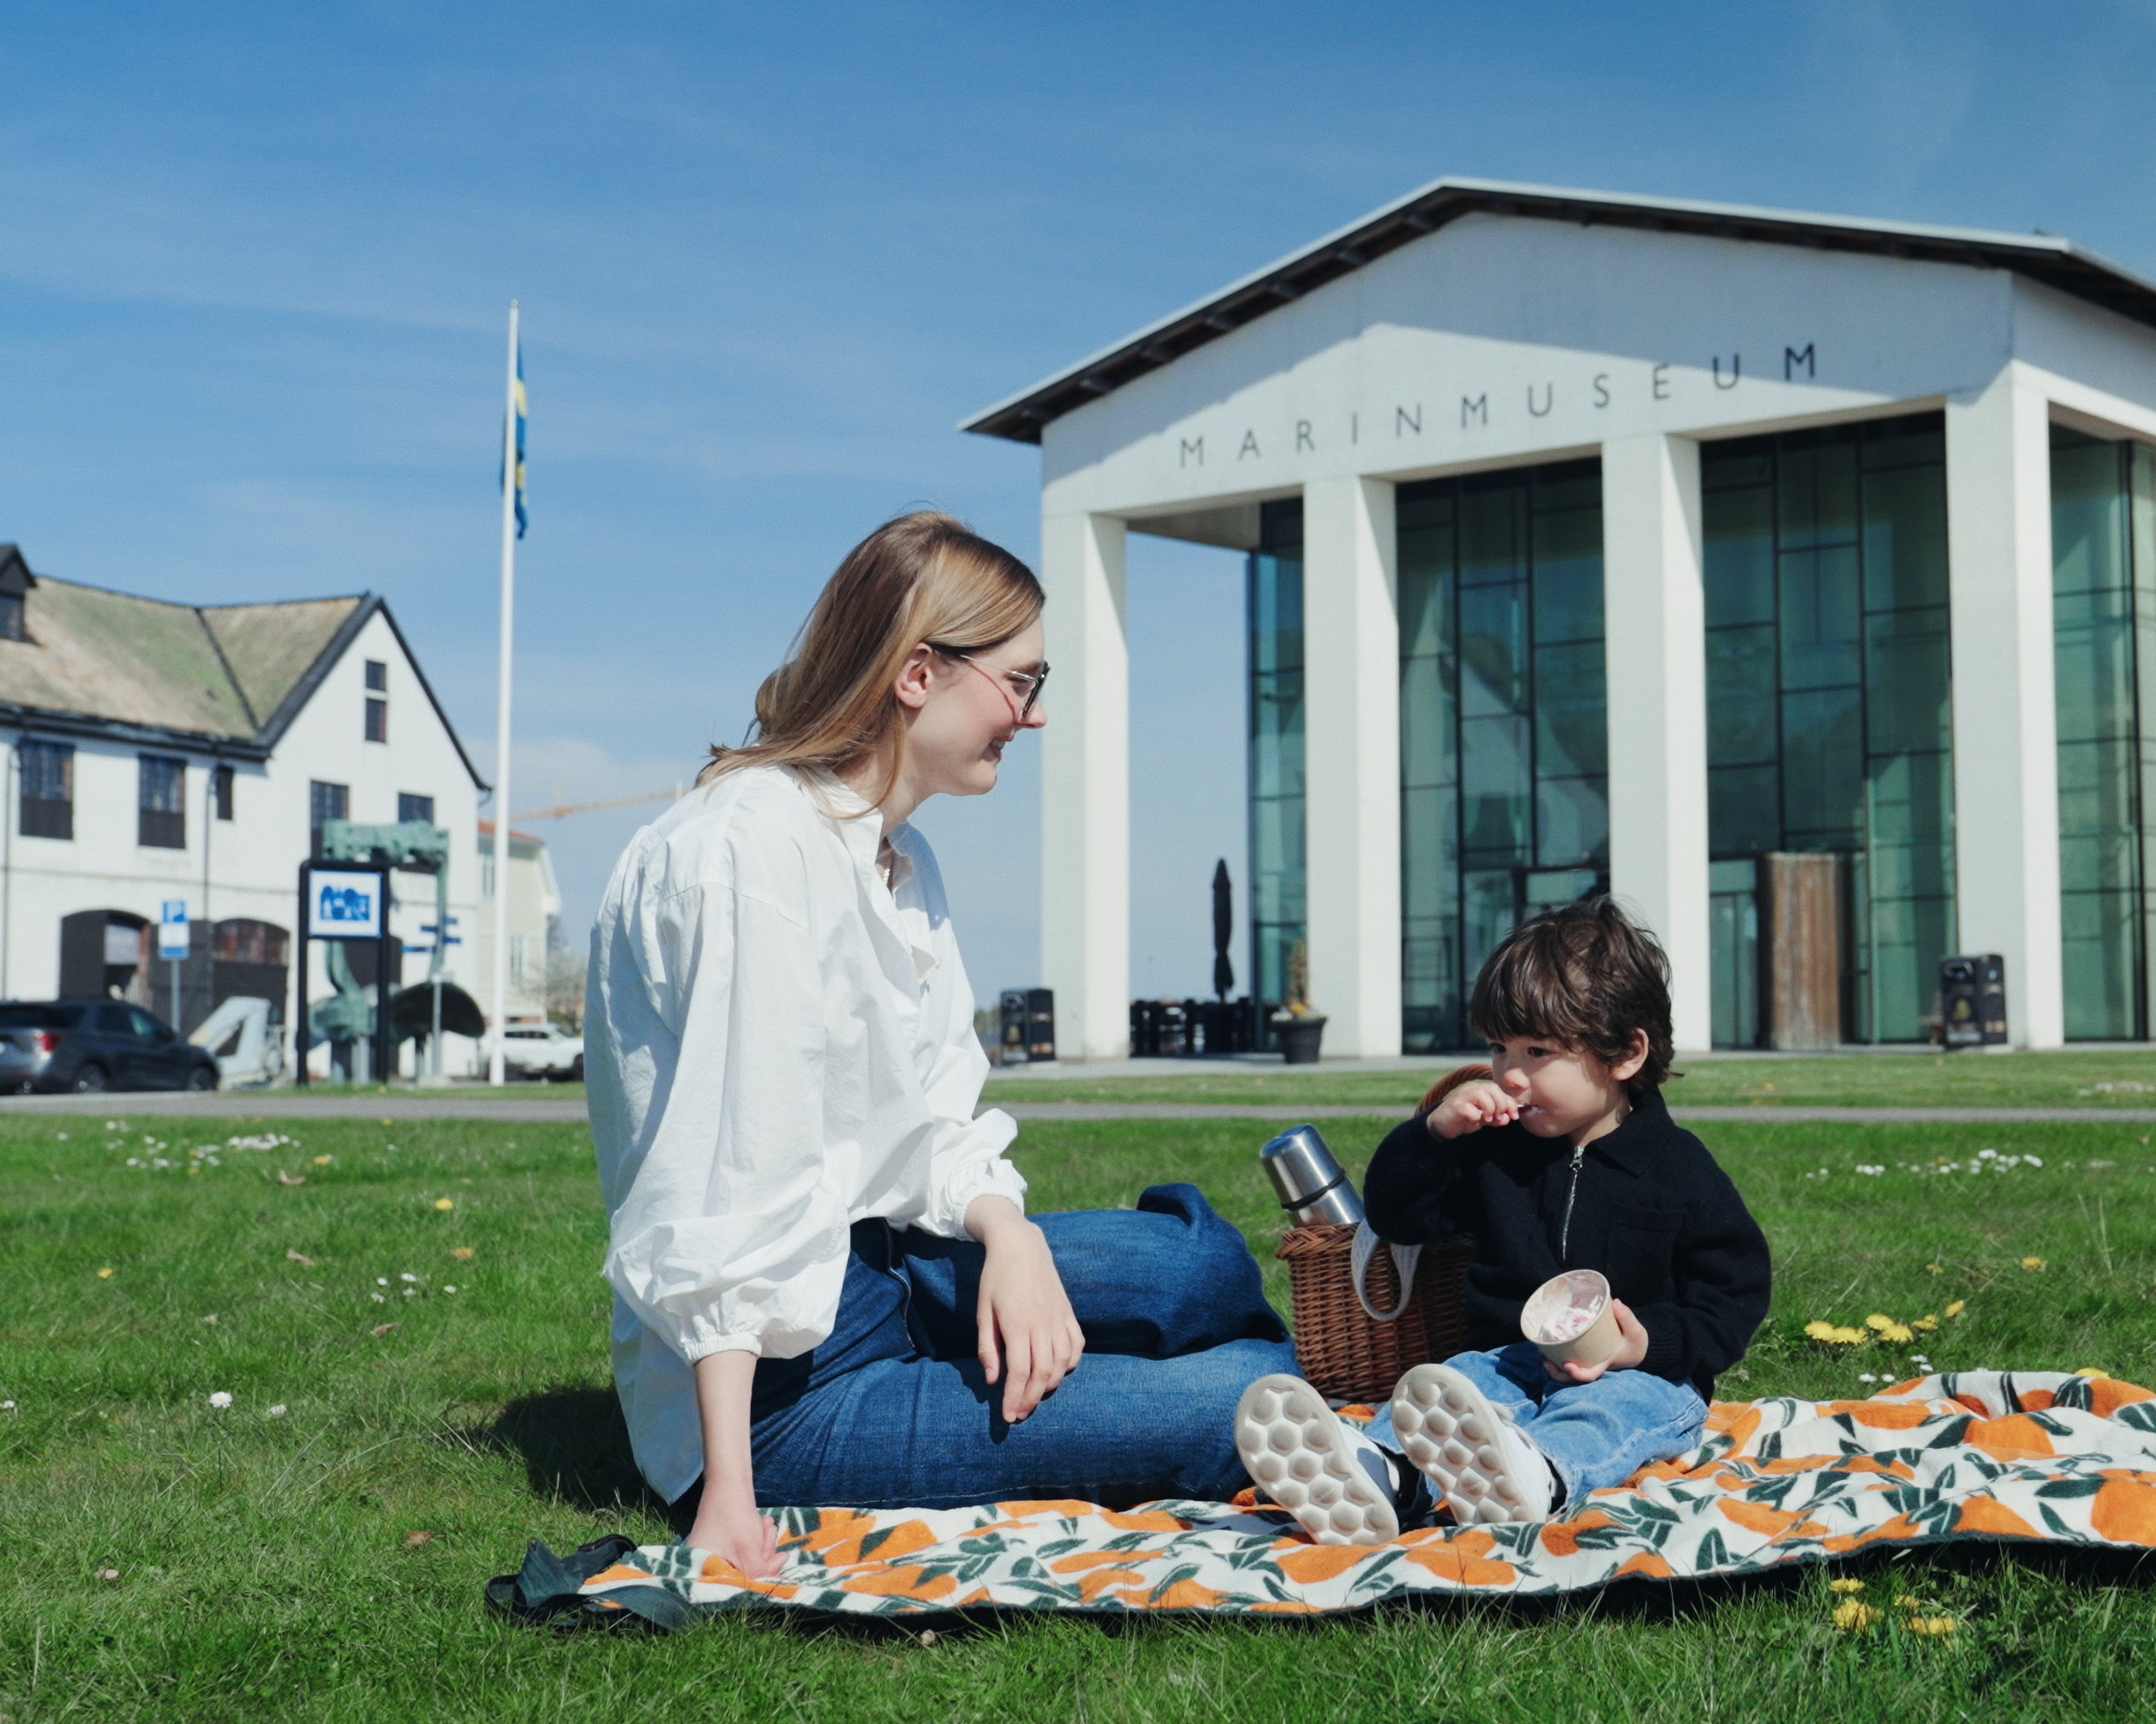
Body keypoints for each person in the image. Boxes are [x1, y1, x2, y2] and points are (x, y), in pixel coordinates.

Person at [585, 511, 1294, 1577]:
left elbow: (935, 1116)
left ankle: (1173, 1355)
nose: (1037, 714)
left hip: (889, 1268)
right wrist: (729, 1490)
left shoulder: (896, 859)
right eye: (1021, 680)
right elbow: (728, 1182)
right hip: (785, 1394)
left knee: (1200, 1267)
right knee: (1232, 1401)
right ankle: (1244, 1392)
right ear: (918, 673)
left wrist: (1007, 1237)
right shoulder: (752, 852)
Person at [1232, 898, 1771, 1542]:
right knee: (1447, 1388)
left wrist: (1644, 1343)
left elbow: (1734, 1294)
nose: (1509, 1074)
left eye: (1537, 1051)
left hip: (1642, 1375)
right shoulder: (1494, 1150)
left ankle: (1539, 1475)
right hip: (1508, 1358)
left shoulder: (1679, 1169)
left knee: (1607, 1411)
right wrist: (1434, 1135)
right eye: (1497, 1048)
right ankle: (1381, 1477)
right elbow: (1398, 1217)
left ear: (1625, 1054)